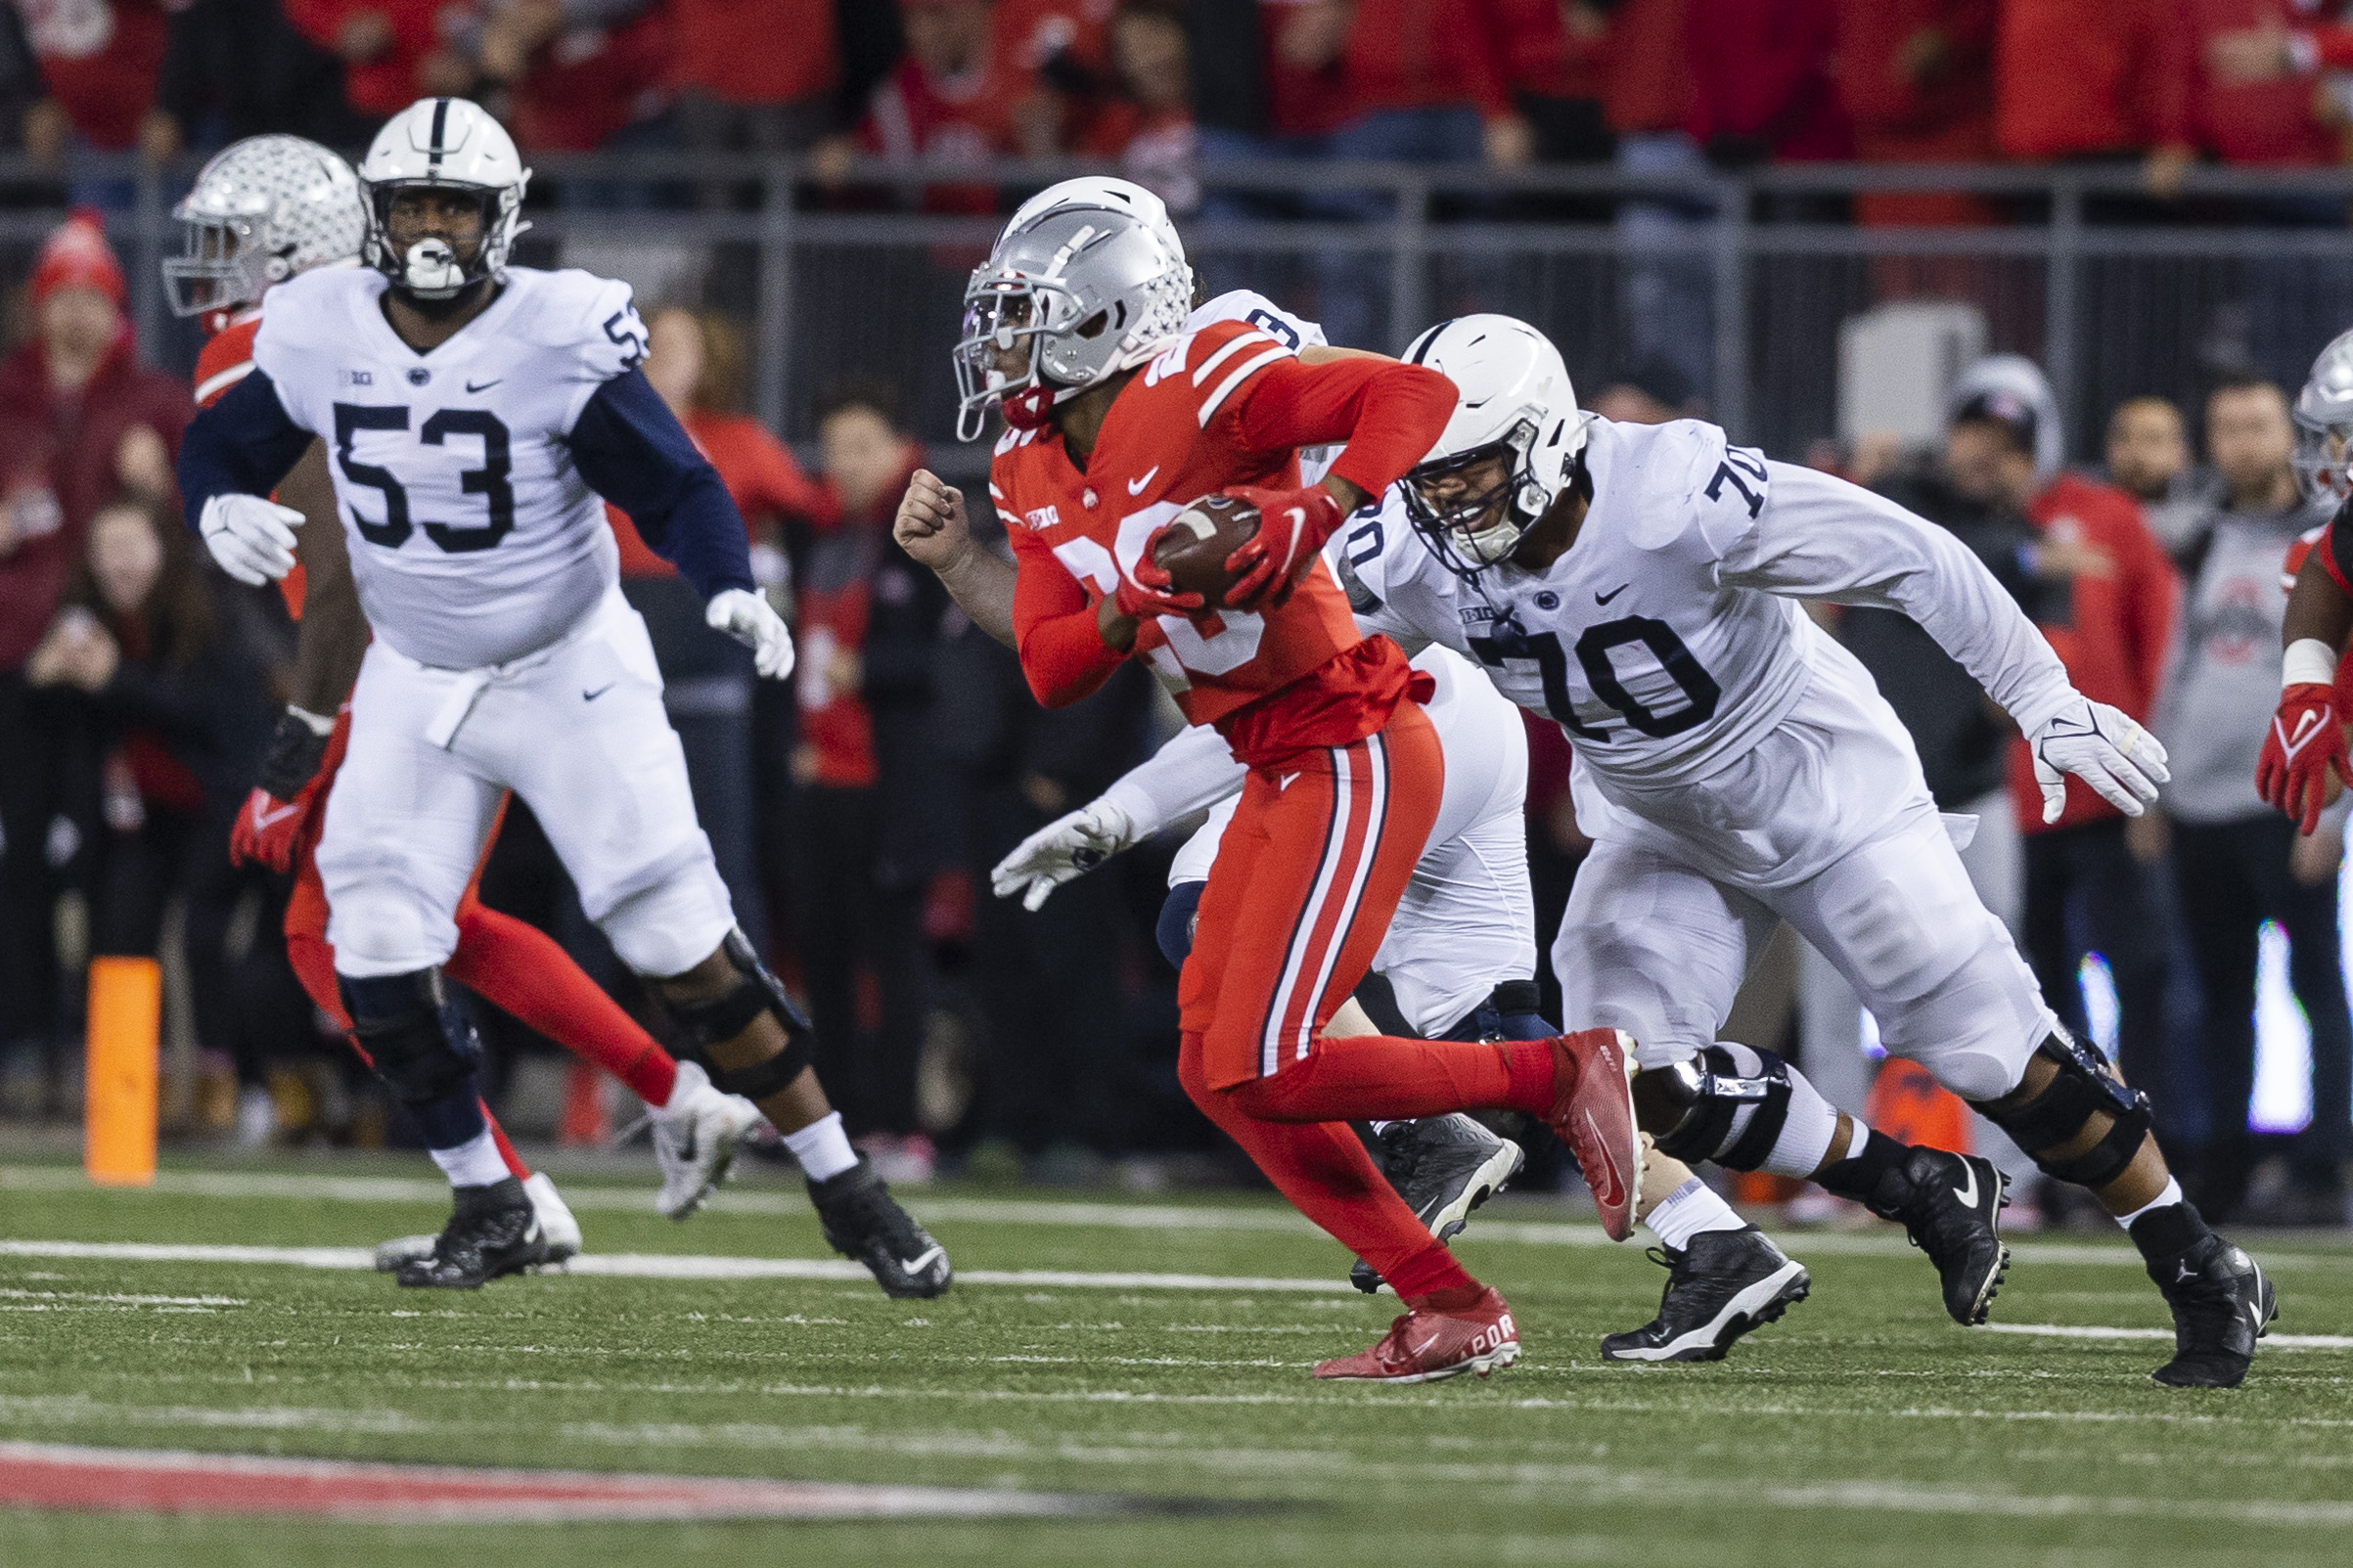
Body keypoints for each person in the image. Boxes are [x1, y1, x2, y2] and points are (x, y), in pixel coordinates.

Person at [951, 181, 1802, 1364]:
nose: (998, 339)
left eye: (1024, 311)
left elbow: (1414, 395)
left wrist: (1312, 511)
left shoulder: (1207, 379)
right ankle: (1452, 1300)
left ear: (1108, 310)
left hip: (1352, 732)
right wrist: (1123, 596)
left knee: (1268, 1050)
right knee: (1218, 1070)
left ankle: (1558, 1074)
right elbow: (1051, 667)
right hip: (1264, 756)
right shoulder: (1029, 461)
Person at [1360, 312, 2272, 1389]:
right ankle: (1915, 1188)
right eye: (1426, 475)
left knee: (1988, 1052)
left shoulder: (1672, 493)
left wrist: (2039, 697)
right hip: (1660, 819)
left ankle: (2197, 1262)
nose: (1444, 500)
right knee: (1610, 1074)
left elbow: (1913, 556)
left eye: (1468, 471)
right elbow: (1308, 647)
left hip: (1818, 784)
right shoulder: (1410, 550)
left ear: (1546, 442)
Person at [176, 98, 947, 1299]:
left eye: (455, 207)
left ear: (504, 217)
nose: (432, 231)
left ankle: (846, 1184)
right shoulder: (320, 322)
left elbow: (676, 483)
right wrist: (213, 503)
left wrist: (730, 585)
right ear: (373, 220)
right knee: (373, 939)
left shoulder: (554, 328)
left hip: (565, 667)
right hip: (416, 673)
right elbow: (222, 443)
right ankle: (491, 1196)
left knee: (678, 944)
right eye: (412, 207)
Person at [1946, 358, 2183, 1113]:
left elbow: (2159, 649)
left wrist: (2149, 784)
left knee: (2141, 969)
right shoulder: (1952, 528)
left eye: (2011, 441)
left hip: (2101, 791)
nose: (1995, 455)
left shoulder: (2106, 515)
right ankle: (2073, 1150)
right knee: (2034, 985)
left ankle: (2150, 1132)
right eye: (1980, 436)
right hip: (2001, 799)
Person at [0, 209, 190, 1115]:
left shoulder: (152, 403)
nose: (74, 315)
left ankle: (101, 1054)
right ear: (37, 308)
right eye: (61, 297)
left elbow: (203, 536)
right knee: (20, 865)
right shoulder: (7, 400)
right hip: (14, 665)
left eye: (91, 297)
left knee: (114, 864)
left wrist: (164, 486)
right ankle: (23, 1046)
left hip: (119, 670)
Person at [25, 499, 289, 1125]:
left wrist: (116, 678)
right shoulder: (84, 624)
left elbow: (212, 717)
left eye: (131, 544)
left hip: (213, 808)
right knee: (119, 940)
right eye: (105, 546)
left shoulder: (205, 615)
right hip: (135, 819)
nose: (120, 561)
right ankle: (129, 1095)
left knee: (206, 943)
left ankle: (234, 1090)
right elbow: (52, 731)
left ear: (162, 550)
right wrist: (42, 682)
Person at [2157, 373, 2348, 1227]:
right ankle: (2224, 1167)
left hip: (2290, 802)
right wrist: (2152, 787)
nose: (2239, 440)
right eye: (2224, 425)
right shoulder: (2199, 538)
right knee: (2218, 995)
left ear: (2292, 432)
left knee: (2314, 984)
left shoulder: (2328, 537)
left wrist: (2334, 808)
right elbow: (2173, 660)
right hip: (2197, 800)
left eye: (2256, 424)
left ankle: (2319, 1166)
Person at [788, 377, 952, 1174]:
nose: (841, 463)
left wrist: (870, 669)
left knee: (894, 961)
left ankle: (898, 1122)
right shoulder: (830, 534)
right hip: (826, 781)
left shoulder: (925, 530)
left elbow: (951, 657)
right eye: (832, 449)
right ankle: (835, 1118)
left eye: (859, 446)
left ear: (897, 449)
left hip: (892, 787)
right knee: (824, 955)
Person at [2105, 395, 2223, 557]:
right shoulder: (2082, 507)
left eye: (2153, 440)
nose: (2136, 453)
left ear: (2182, 454)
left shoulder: (2208, 522)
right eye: (2124, 438)